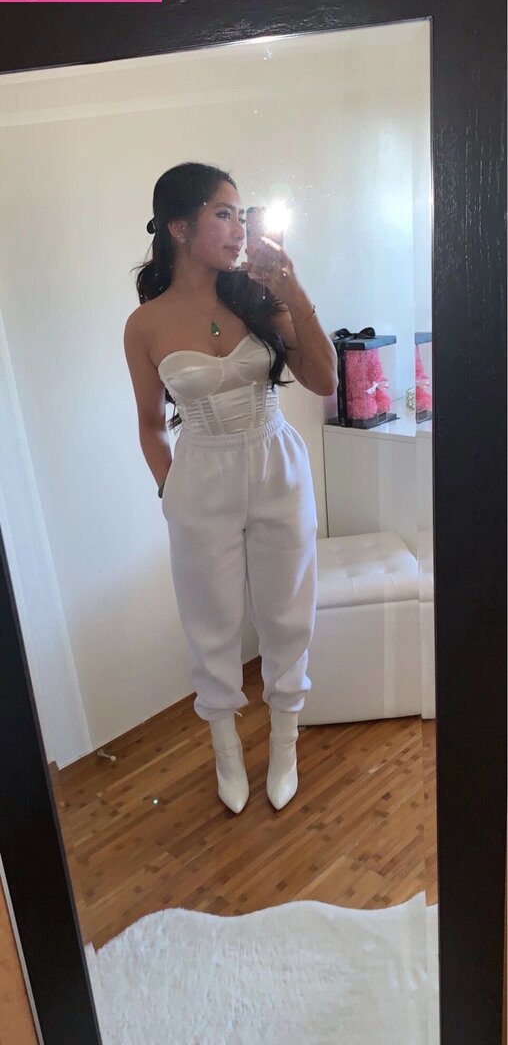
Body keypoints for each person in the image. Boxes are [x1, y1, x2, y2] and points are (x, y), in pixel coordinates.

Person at [124, 162, 337, 814]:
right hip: (200, 478)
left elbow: (324, 380)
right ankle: (225, 750)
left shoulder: (259, 296)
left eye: (243, 215)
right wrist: (171, 494)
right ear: (180, 228)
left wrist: (291, 287)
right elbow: (150, 425)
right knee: (209, 622)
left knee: (288, 611)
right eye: (224, 214)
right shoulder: (145, 325)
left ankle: (284, 744)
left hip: (276, 464)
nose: (240, 228)